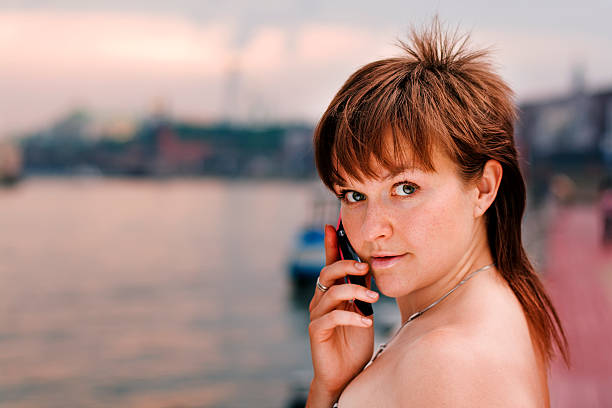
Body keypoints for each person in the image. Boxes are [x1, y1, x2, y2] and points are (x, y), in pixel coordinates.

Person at [306, 18, 569, 407]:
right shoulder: (487, 305)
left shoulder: (445, 361)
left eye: (405, 188)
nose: (372, 230)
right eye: (353, 195)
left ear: (483, 188)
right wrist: (332, 384)